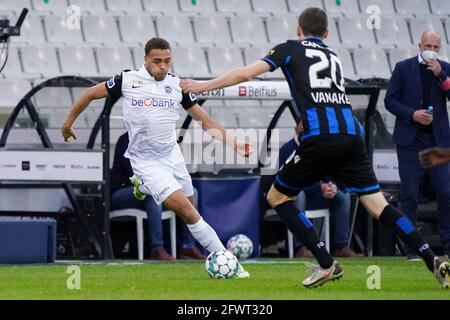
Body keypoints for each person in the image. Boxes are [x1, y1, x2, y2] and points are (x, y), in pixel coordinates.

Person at [181, 7, 450, 288]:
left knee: (277, 196)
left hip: (320, 138)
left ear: (298, 31)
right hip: (351, 136)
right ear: (327, 33)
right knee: (378, 204)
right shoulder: (334, 56)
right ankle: (432, 258)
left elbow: (246, 73)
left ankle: (325, 262)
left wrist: (202, 86)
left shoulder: (289, 49)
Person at [61, 37, 252, 278]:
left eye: (168, 61)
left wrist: (233, 142)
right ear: (146, 60)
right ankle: (231, 264)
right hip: (145, 162)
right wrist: (68, 123)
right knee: (188, 211)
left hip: (173, 157)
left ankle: (142, 188)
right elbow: (89, 94)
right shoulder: (127, 80)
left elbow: (205, 121)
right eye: (157, 61)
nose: (163, 66)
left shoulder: (177, 86)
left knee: (191, 209)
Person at [385, 29, 450, 260]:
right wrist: (412, 114)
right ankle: (412, 248)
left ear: (439, 48)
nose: (431, 51)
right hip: (409, 140)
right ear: (419, 45)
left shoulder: (445, 68)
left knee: (446, 191)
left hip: (437, 140)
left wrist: (441, 76)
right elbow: (390, 100)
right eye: (428, 46)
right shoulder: (404, 68)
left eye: (435, 47)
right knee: (409, 193)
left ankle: (448, 245)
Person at [111, 132, 206, 260]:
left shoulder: (157, 139)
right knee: (153, 193)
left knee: (192, 191)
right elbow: (137, 174)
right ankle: (157, 248)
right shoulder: (126, 140)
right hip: (122, 192)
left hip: (152, 186)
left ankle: (187, 245)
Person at [278, 122, 359, 258]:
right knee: (299, 195)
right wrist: (318, 187)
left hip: (317, 196)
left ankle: (341, 246)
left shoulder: (320, 147)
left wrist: (331, 186)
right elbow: (289, 180)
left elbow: (330, 171)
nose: (305, 133)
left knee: (342, 197)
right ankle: (301, 247)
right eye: (302, 130)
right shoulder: (287, 150)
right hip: (298, 195)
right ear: (296, 129)